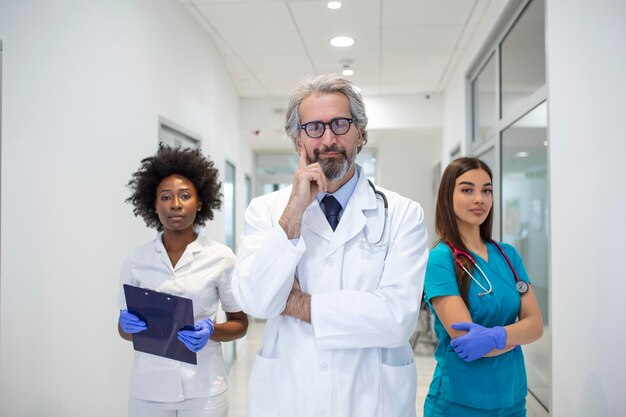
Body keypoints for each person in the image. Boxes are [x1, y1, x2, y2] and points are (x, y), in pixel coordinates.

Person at [231, 74, 429, 417]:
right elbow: (255, 301)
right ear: (297, 140)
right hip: (289, 396)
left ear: (360, 133)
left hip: (372, 399)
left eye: (340, 124)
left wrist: (295, 303)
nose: (328, 138)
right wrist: (292, 214)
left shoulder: (403, 214)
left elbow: (397, 319)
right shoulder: (267, 212)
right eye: (314, 128)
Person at [117, 144, 248, 417]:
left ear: (200, 203)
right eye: (165, 197)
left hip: (204, 389)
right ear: (153, 204)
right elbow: (125, 331)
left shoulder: (221, 258)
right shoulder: (135, 260)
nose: (175, 204)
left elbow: (240, 324)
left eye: (185, 196)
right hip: (148, 389)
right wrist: (124, 325)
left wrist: (212, 330)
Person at [423, 157, 543, 417]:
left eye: (486, 190)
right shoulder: (440, 259)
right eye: (467, 190)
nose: (480, 198)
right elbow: (468, 344)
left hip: (512, 399)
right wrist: (514, 333)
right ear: (447, 196)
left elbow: (535, 326)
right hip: (459, 402)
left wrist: (494, 337)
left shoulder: (509, 255)